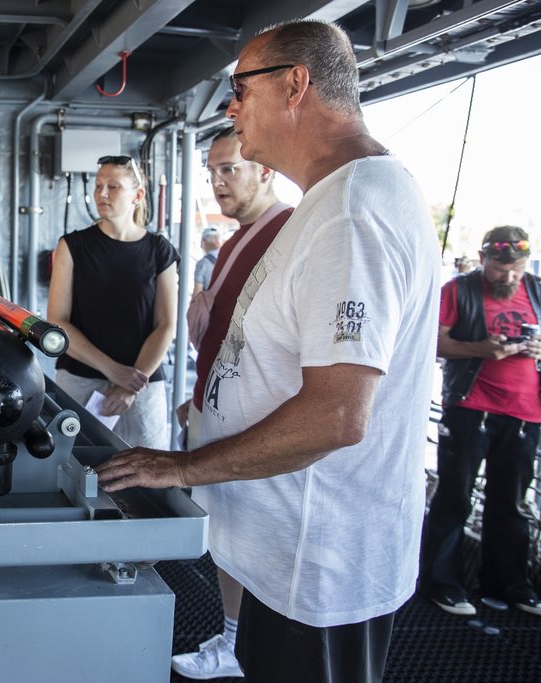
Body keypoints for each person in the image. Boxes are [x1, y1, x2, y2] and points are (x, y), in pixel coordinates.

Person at [95, 20, 440, 683]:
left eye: (239, 88)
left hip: (320, 566)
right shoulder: (334, 200)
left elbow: (337, 415)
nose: (229, 107)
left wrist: (184, 467)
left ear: (294, 84)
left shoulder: (352, 212)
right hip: (287, 559)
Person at [172, 127, 293, 680]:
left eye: (230, 169)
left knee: (254, 545)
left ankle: (248, 647)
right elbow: (226, 337)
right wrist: (198, 401)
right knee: (227, 541)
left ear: (264, 168)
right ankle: (235, 642)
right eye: (212, 171)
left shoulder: (286, 234)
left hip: (257, 425)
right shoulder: (233, 243)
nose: (218, 181)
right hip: (219, 412)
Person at [421, 227, 541, 617]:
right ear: (483, 259)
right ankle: (443, 583)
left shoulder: (537, 291)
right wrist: (480, 349)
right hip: (471, 408)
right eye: (499, 269)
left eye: (516, 270)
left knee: (512, 505)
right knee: (455, 497)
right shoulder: (459, 290)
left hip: (526, 414)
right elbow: (432, 342)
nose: (508, 278)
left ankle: (509, 585)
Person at [47, 154, 178, 449]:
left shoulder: (159, 250)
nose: (102, 194)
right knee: (73, 467)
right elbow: (57, 320)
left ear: (138, 195)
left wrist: (129, 383)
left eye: (113, 186)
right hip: (81, 381)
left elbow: (166, 325)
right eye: (98, 186)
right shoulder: (72, 246)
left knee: (145, 475)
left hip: (141, 385)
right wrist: (112, 370)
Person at [193, 227, 222, 296]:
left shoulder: (202, 264)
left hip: (211, 305)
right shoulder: (227, 257)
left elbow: (197, 294)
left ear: (203, 242)